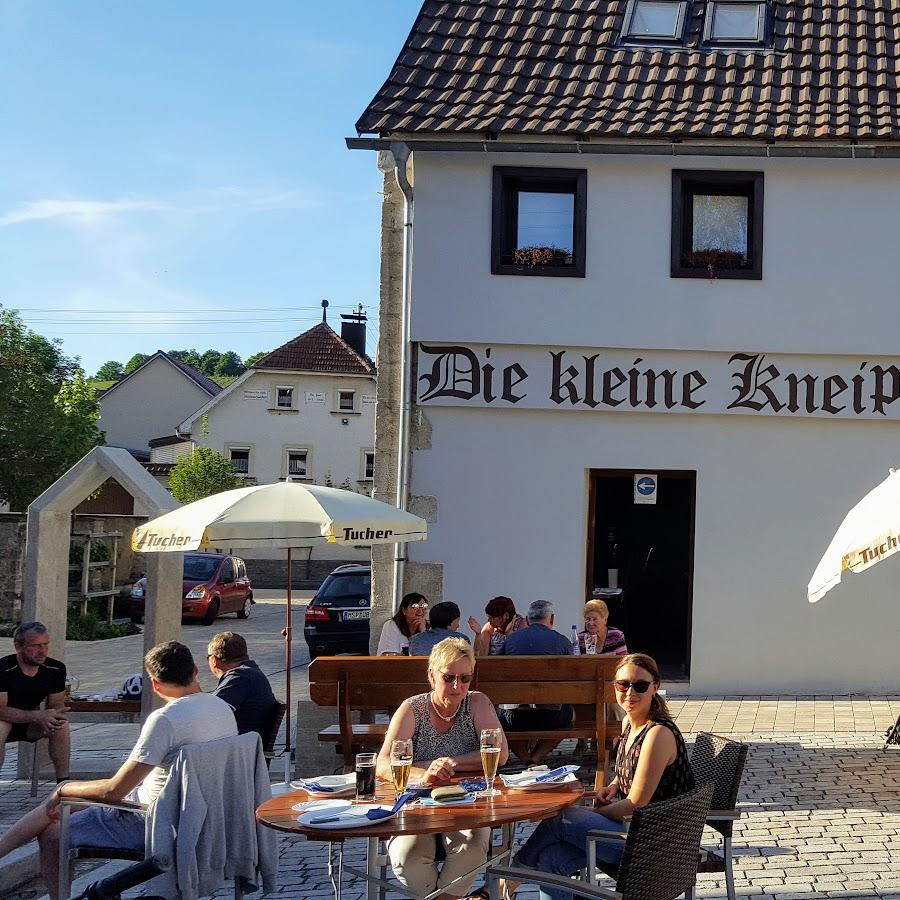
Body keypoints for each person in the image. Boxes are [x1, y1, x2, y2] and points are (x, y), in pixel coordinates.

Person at [0, 641, 237, 900]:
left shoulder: (166, 719)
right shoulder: (221, 708)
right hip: (206, 818)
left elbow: (114, 791)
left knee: (54, 828)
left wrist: (65, 788)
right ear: (195, 671)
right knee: (63, 804)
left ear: (155, 684)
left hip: (155, 821)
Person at [505, 653, 695, 900]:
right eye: (623, 684)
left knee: (561, 819)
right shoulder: (629, 721)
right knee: (550, 860)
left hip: (655, 843)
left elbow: (636, 803)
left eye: (640, 686)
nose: (630, 692)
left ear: (655, 688)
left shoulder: (658, 734)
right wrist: (614, 785)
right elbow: (633, 773)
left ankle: (508, 881)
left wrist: (591, 815)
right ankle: (511, 880)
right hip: (632, 829)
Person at [376, 638, 509, 899]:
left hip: (466, 804)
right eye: (449, 677)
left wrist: (450, 763)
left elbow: (500, 754)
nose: (457, 686)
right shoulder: (413, 708)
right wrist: (424, 772)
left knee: (472, 847)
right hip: (416, 805)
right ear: (431, 675)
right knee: (407, 856)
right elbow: (382, 763)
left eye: (465, 678)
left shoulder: (478, 703)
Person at [498, 599, 573, 765]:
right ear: (552, 619)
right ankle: (536, 757)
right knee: (570, 716)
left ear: (526, 619)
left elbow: (497, 671)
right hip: (552, 717)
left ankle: (525, 758)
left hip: (514, 718)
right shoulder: (563, 642)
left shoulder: (511, 641)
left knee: (500, 717)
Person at [0, 622, 70, 782]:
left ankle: (63, 783)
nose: (42, 651)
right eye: (36, 646)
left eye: (45, 645)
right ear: (18, 646)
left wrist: (56, 712)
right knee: (0, 726)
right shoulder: (3, 669)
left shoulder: (55, 669)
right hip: (5, 720)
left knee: (61, 724)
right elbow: (1, 710)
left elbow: (55, 704)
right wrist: (37, 716)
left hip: (31, 723)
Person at [207, 632, 278, 738]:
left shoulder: (239, 677)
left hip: (240, 747)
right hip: (248, 743)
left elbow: (208, 713)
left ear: (213, 660)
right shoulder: (251, 673)